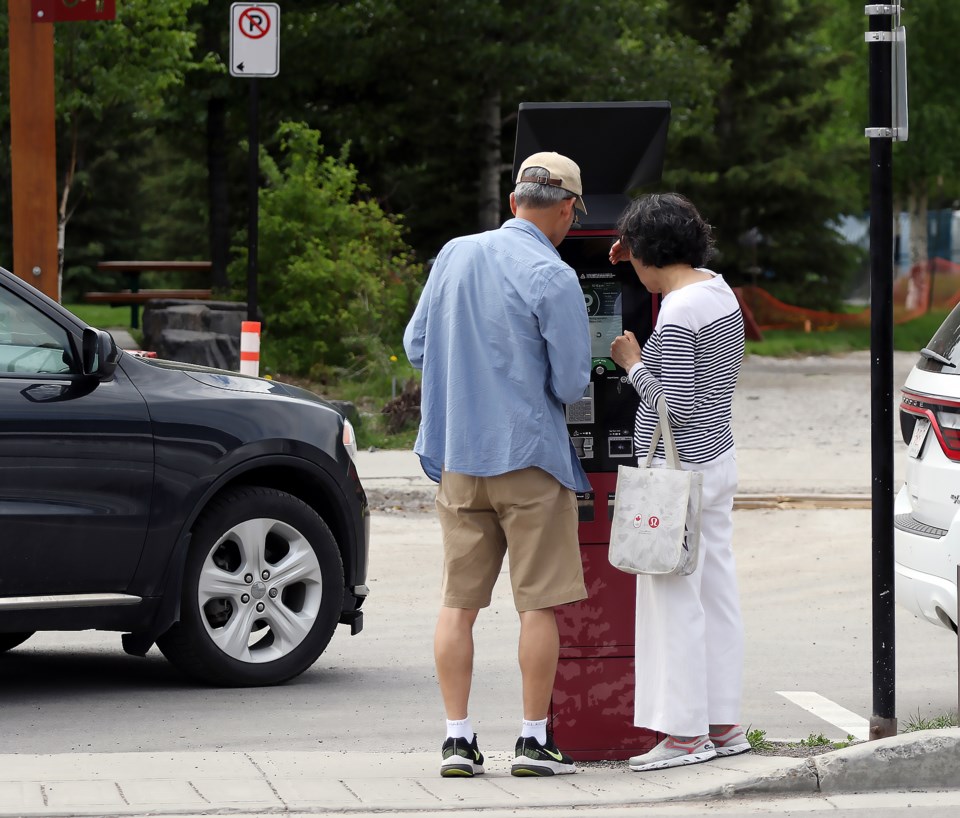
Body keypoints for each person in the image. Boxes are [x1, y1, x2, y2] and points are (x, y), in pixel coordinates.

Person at [403, 152, 592, 778]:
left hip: (459, 457)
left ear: (514, 202)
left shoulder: (454, 253)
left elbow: (415, 345)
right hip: (530, 459)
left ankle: (457, 741)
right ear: (565, 209)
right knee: (537, 605)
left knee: (458, 604)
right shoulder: (555, 275)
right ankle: (534, 743)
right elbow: (569, 383)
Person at [607, 192, 750, 771]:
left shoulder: (678, 311)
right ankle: (725, 723)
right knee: (717, 596)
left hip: (676, 478)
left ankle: (685, 736)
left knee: (673, 605)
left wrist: (632, 365)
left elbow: (677, 407)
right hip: (717, 463)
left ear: (647, 252)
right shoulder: (718, 293)